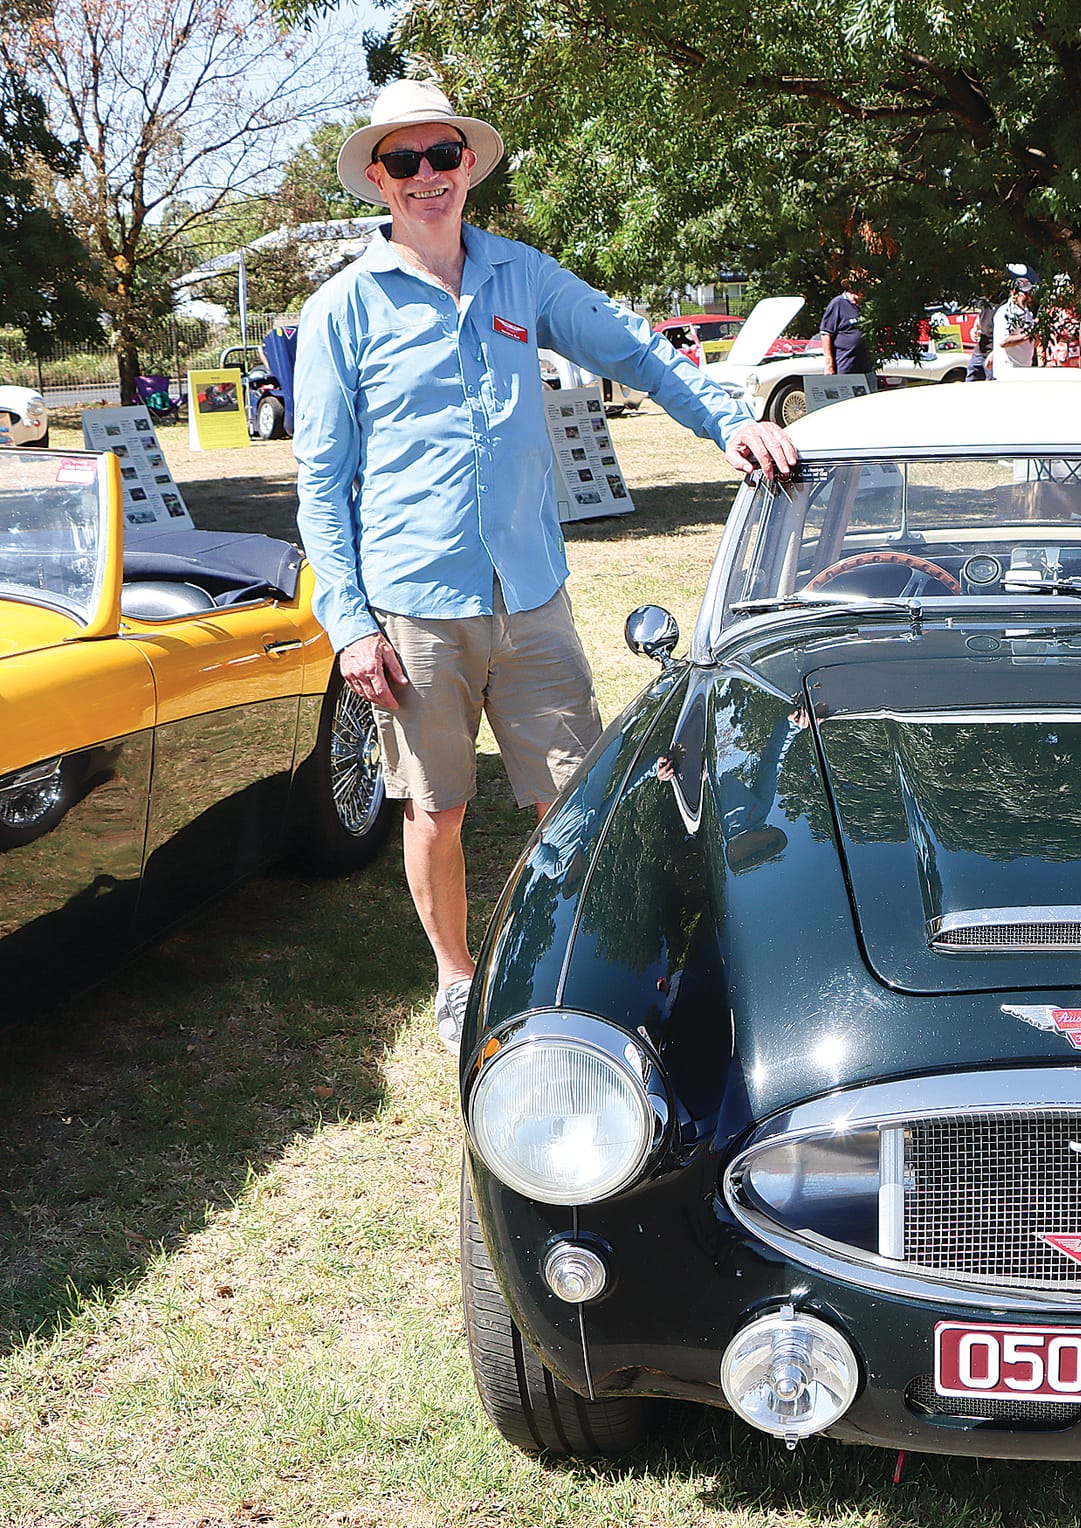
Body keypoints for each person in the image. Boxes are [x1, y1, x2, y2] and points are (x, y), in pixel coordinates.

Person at [293, 80, 797, 1049]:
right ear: (378, 182)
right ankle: (454, 978)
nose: (427, 177)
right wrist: (349, 623)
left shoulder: (522, 276)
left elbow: (642, 353)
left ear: (468, 162)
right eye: (404, 163)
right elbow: (320, 482)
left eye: (442, 155)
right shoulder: (342, 309)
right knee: (434, 809)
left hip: (530, 595)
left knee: (569, 803)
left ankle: (563, 966)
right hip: (412, 606)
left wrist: (730, 423)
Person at [818, 272, 874, 375]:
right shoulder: (837, 303)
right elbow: (826, 333)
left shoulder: (866, 306)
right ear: (853, 289)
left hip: (866, 364)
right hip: (845, 363)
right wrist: (829, 364)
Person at [990, 277, 1039, 373]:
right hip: (1008, 371)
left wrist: (1037, 335)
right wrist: (1028, 334)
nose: (1029, 296)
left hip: (1025, 368)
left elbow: (1033, 344)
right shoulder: (1005, 313)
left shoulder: (1028, 313)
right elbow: (1004, 341)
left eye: (1030, 292)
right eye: (1025, 293)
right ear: (1013, 293)